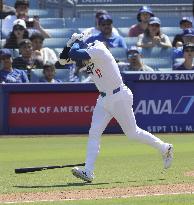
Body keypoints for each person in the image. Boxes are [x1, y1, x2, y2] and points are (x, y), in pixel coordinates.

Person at [58, 33, 174, 182]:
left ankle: (165, 148)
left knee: (132, 133)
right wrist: (70, 42)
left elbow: (74, 53)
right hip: (103, 98)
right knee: (94, 132)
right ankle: (88, 171)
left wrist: (74, 41)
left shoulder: (99, 48)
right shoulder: (87, 51)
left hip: (119, 96)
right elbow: (62, 60)